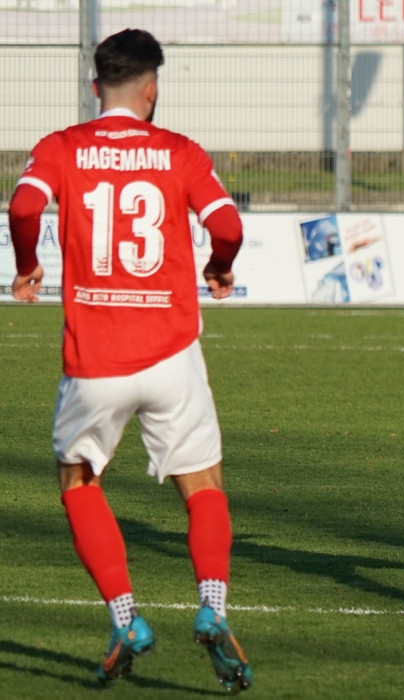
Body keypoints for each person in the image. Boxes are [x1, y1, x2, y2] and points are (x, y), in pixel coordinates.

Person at [7, 28, 255, 688]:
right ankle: (213, 606)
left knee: (79, 481)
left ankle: (125, 618)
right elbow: (227, 225)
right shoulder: (179, 151)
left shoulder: (62, 146)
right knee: (203, 485)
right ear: (152, 89)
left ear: (96, 88)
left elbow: (24, 205)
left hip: (96, 359)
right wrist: (220, 265)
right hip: (172, 354)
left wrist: (26, 265)